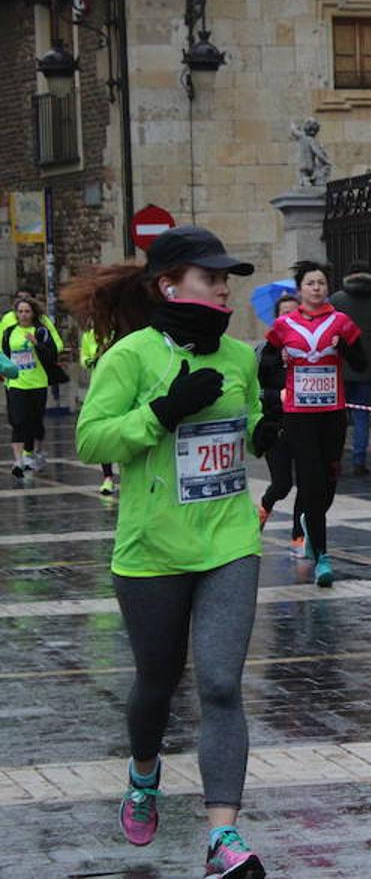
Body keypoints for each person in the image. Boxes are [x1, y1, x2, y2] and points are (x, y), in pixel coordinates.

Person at [63, 224, 279, 878]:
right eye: (210, 277)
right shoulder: (130, 357)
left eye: (226, 279)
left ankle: (223, 837)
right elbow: (90, 441)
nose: (222, 288)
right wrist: (160, 412)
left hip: (228, 543)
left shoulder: (239, 357)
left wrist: (269, 427)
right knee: (157, 682)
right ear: (168, 284)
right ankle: (144, 772)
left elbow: (250, 424)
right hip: (151, 551)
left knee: (219, 684)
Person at [262, 261, 366, 587]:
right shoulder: (283, 326)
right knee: (310, 481)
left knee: (329, 480)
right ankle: (322, 556)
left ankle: (310, 521)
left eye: (321, 282)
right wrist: (281, 365)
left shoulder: (342, 323)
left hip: (332, 413)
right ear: (300, 289)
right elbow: (264, 371)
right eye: (310, 283)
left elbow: (362, 364)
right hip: (298, 415)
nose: (317, 288)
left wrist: (345, 347)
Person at [256, 294, 306, 557]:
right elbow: (253, 391)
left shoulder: (308, 345)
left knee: (307, 483)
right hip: (275, 425)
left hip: (303, 423)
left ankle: (299, 535)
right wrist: (277, 396)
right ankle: (264, 508)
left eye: (294, 313)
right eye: (283, 313)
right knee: (282, 484)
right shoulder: (265, 350)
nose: (288, 318)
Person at [329, 260, 371, 476]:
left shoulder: (336, 300)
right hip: (366, 366)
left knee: (337, 416)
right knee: (362, 416)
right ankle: (359, 461)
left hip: (340, 364)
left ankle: (334, 459)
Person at [3, 298, 59, 478]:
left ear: (33, 313)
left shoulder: (41, 331)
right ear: (16, 314)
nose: (23, 315)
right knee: (18, 422)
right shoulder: (9, 332)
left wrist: (36, 343)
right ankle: (18, 461)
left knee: (35, 421)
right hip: (17, 382)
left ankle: (36, 451)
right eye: (20, 311)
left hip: (37, 383)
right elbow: (4, 355)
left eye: (27, 311)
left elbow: (52, 355)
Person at [79, 326, 118, 494]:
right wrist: (90, 360)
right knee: (104, 433)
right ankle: (108, 478)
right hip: (100, 389)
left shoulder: (118, 332)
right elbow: (84, 357)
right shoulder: (89, 335)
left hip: (120, 386)